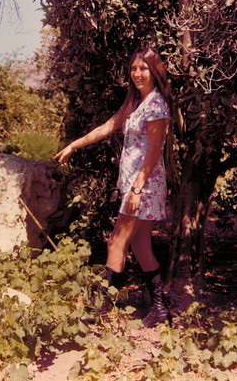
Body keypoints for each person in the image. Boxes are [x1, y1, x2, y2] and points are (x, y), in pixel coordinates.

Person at [54, 47, 174, 328]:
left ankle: (101, 307)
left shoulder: (156, 105)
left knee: (116, 242)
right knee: (141, 246)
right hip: (136, 186)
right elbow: (108, 126)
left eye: (143, 68)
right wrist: (74, 144)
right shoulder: (135, 103)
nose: (137, 73)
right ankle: (159, 309)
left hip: (143, 186)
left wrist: (136, 190)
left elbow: (155, 151)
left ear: (155, 71)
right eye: (133, 68)